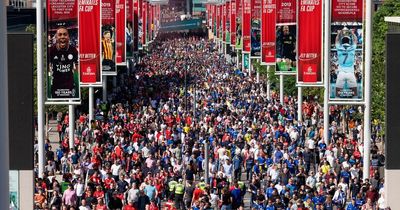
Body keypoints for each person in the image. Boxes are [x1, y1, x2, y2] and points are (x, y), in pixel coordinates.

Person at [48, 26, 79, 98]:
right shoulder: (51, 50)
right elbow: (47, 69)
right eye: (60, 34)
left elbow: (77, 68)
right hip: (56, 87)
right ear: (56, 37)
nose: (62, 36)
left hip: (69, 87)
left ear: (68, 37)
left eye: (65, 34)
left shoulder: (73, 50)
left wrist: (77, 85)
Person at [334, 26, 358, 98]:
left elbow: (336, 40)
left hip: (341, 72)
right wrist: (352, 32)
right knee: (354, 94)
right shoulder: (352, 48)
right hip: (350, 72)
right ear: (349, 41)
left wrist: (339, 32)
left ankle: (336, 104)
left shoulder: (339, 47)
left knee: (337, 94)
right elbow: (355, 40)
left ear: (342, 41)